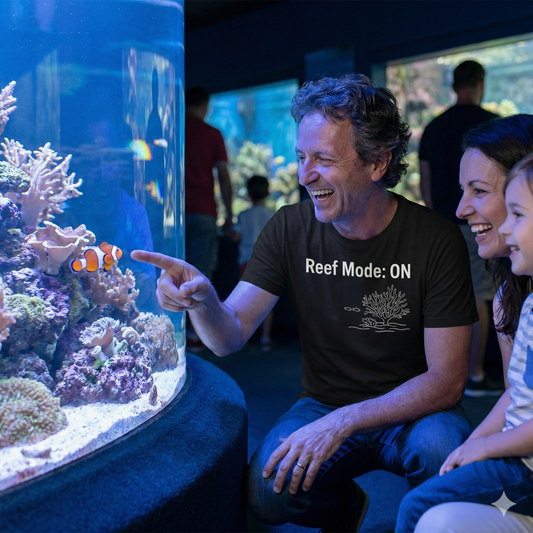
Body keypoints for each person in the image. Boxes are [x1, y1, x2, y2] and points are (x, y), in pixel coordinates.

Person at [131, 73, 478, 532]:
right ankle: (345, 507)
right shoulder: (289, 227)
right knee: (265, 493)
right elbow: (228, 336)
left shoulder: (434, 239)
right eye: (300, 157)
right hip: (323, 403)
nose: (303, 175)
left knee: (446, 457)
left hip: (412, 411)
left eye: (323, 159)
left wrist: (345, 422)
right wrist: (202, 300)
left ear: (378, 163)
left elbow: (448, 383)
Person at [395, 152, 533, 533]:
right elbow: (520, 393)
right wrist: (472, 445)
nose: (460, 210)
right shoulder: (517, 296)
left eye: (517, 214)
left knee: (417, 505)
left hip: (524, 464)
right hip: (517, 455)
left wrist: (484, 448)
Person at [419, 60, 499, 397]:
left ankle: (447, 372)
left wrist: (434, 214)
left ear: (454, 86)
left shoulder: (435, 127)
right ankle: (474, 374)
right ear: (481, 83)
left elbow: (424, 178)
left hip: (443, 221)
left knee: (449, 293)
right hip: (480, 224)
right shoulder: (494, 125)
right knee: (482, 294)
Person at [184, 86, 233, 348]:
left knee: (176, 269)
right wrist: (228, 214)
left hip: (176, 215)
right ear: (205, 105)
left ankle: (176, 328)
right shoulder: (212, 134)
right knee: (201, 272)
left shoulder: (177, 131)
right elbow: (223, 177)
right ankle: (197, 334)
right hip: (203, 211)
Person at [231, 175, 275, 351]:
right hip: (268, 263)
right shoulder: (273, 215)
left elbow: (236, 236)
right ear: (268, 193)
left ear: (248, 194)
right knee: (267, 301)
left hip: (246, 262)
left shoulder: (243, 215)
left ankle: (243, 338)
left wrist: (227, 230)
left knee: (244, 301)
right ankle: (265, 338)